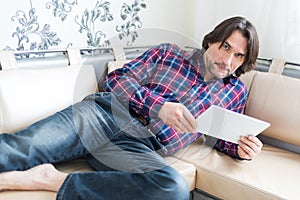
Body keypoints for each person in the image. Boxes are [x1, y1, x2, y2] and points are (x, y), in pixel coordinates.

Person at [0, 16, 261, 200]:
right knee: (20, 148)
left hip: (137, 148)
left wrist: (241, 148)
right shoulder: (169, 53)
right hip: (101, 116)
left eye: (239, 56)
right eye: (226, 46)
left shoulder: (234, 92)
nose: (227, 60)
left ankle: (51, 180)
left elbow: (222, 137)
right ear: (212, 40)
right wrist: (158, 107)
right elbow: (116, 80)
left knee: (172, 189)